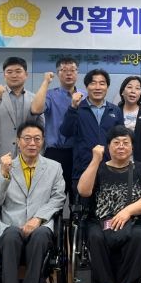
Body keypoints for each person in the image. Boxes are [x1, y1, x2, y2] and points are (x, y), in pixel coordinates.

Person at [0, 121, 65, 283]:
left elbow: (58, 198)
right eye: (27, 139)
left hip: (41, 224)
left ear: (43, 141)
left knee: (41, 236)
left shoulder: (54, 168)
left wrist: (38, 218)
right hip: (11, 224)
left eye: (37, 139)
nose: (32, 143)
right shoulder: (2, 168)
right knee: (11, 235)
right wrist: (4, 174)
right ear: (18, 141)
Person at [77, 126, 141, 283]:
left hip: (134, 220)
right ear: (108, 146)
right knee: (94, 236)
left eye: (125, 142)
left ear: (132, 147)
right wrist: (95, 160)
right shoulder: (99, 168)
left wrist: (127, 211)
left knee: (139, 236)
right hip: (100, 220)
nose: (121, 146)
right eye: (116, 143)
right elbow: (83, 191)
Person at [30, 57, 86, 206]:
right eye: (64, 70)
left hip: (78, 153)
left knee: (78, 198)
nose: (69, 73)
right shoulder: (50, 94)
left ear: (77, 73)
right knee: (53, 197)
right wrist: (45, 82)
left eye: (72, 70)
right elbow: (35, 109)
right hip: (55, 153)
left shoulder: (85, 96)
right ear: (57, 73)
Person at [60, 68, 124, 196]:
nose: (97, 87)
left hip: (110, 170)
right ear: (86, 87)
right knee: (82, 206)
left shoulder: (115, 110)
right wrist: (73, 108)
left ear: (107, 87)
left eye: (102, 83)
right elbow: (66, 132)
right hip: (82, 169)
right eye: (93, 83)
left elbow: (120, 139)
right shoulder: (77, 108)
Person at [0, 57, 44, 169]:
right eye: (9, 72)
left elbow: (41, 128)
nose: (14, 75)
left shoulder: (34, 98)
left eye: (18, 71)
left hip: (27, 157)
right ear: (4, 75)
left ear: (26, 74)